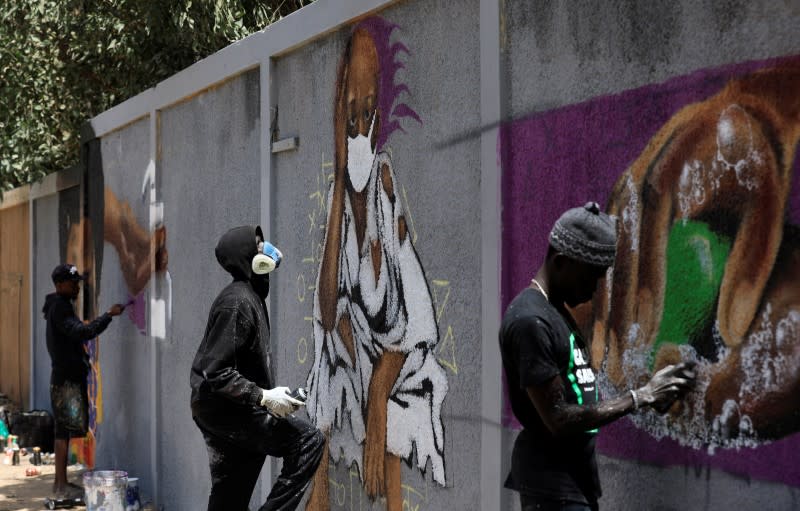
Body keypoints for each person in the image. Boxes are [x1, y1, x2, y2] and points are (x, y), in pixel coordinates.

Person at [499, 202, 696, 511]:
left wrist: (655, 395)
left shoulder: (554, 314)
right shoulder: (530, 321)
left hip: (571, 483)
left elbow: (577, 392)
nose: (594, 289)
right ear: (561, 262)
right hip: (553, 489)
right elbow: (559, 418)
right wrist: (640, 397)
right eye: (591, 276)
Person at [190, 225, 324, 511]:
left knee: (230, 495)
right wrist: (262, 397)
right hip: (226, 410)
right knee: (307, 442)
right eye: (259, 246)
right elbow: (215, 371)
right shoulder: (237, 302)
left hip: (224, 407)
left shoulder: (249, 295)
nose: (266, 250)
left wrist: (272, 397)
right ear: (244, 256)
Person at [42, 263, 125, 498]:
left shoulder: (59, 305)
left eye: (78, 282)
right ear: (59, 285)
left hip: (65, 376)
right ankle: (60, 485)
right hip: (66, 379)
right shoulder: (60, 308)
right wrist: (108, 315)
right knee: (63, 430)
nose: (77, 286)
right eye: (72, 283)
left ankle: (61, 482)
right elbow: (82, 332)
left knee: (64, 430)